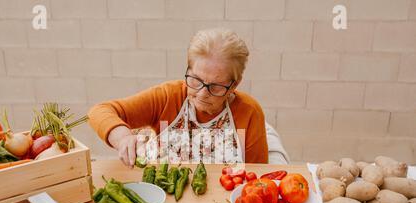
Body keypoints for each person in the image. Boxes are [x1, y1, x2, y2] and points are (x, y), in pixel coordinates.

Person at [88, 28, 287, 167]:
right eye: (195, 79)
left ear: (234, 84)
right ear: (188, 69)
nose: (201, 94)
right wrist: (123, 138)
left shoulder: (249, 113)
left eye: (215, 86)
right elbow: (100, 111)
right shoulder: (167, 97)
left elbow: (258, 178)